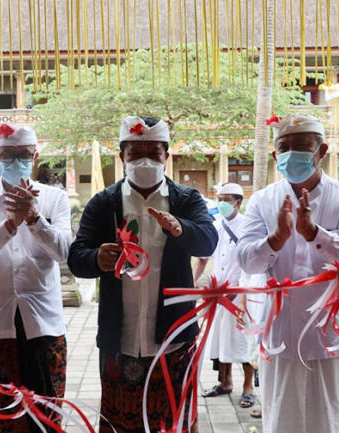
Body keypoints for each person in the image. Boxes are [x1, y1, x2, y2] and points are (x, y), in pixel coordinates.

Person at [68, 116, 218, 433]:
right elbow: (76, 257)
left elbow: (208, 240)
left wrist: (181, 228)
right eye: (136, 152)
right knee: (119, 423)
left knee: (174, 422)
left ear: (167, 155)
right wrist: (96, 258)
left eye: (154, 152)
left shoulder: (186, 199)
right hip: (119, 341)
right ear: (122, 156)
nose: (145, 160)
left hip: (173, 342)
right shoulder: (104, 203)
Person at [237, 114, 339, 433]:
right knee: (281, 420)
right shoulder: (261, 202)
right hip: (281, 334)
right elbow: (247, 261)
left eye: (302, 146)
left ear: (321, 150)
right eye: (284, 147)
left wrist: (315, 234)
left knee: (332, 420)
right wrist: (275, 240)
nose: (291, 153)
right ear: (274, 155)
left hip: (332, 336)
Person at [0, 123, 71, 433]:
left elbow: (64, 252)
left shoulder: (54, 198)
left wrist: (34, 219)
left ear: (35, 157)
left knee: (46, 415)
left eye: (23, 155)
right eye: (7, 155)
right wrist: (9, 225)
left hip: (43, 324)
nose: (15, 161)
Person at [193, 183, 259, 409]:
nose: (221, 202)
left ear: (238, 203)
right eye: (219, 198)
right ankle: (225, 382)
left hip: (240, 294)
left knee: (243, 341)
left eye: (226, 199)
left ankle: (248, 387)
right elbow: (203, 257)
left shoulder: (248, 228)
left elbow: (252, 263)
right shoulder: (215, 226)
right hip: (217, 293)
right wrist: (193, 282)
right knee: (220, 340)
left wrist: (240, 291)